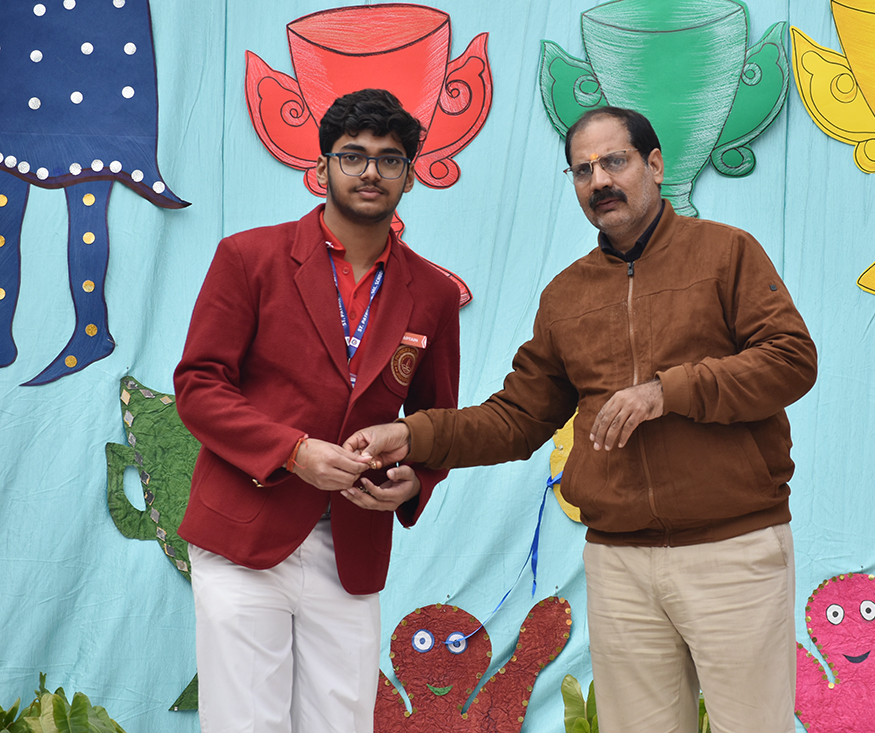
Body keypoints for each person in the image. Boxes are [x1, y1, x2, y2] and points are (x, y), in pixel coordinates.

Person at [343, 106, 817, 732]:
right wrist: (412, 435)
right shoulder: (566, 295)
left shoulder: (726, 253)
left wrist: (666, 392)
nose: (600, 181)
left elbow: (790, 361)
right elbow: (516, 418)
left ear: (654, 165)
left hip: (732, 548)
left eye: (615, 161)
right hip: (619, 563)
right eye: (583, 170)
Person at [173, 88, 461, 733]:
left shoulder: (434, 293)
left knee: (342, 723)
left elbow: (436, 421)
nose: (370, 172)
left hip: (351, 543)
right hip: (245, 531)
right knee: (245, 724)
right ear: (323, 166)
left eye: (389, 159)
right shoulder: (248, 258)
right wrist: (294, 452)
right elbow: (199, 384)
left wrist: (418, 479)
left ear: (410, 176)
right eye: (353, 156)